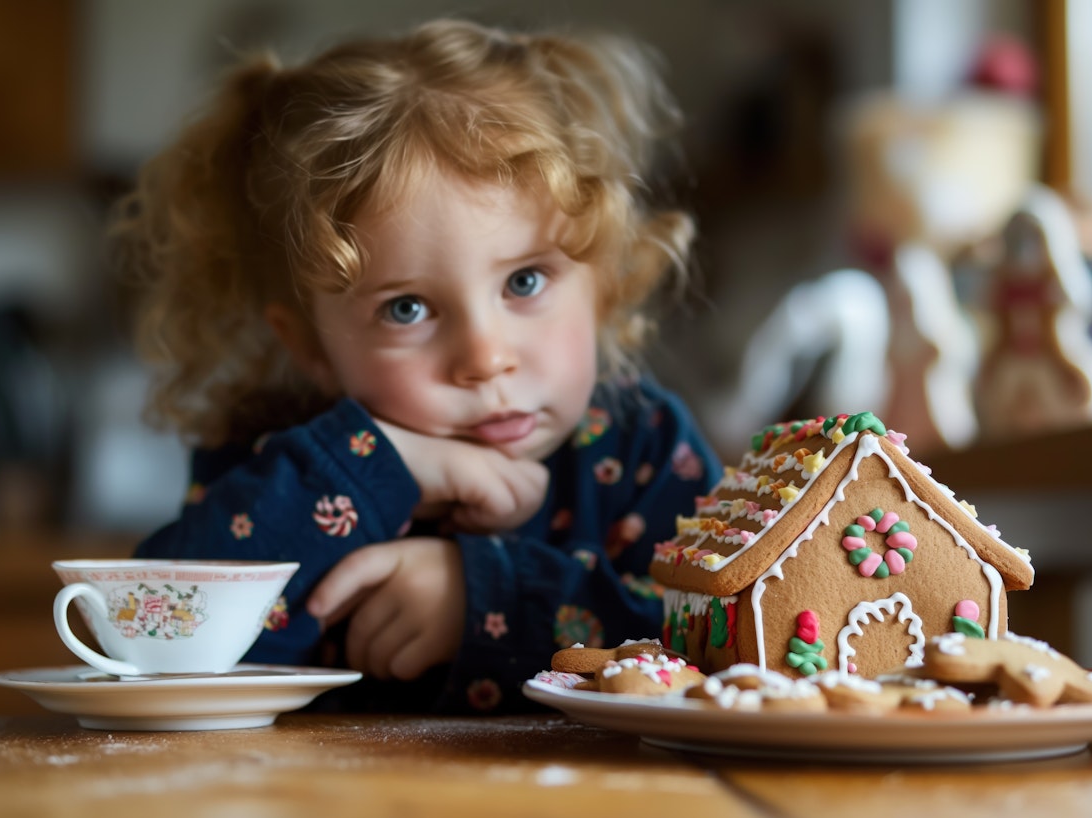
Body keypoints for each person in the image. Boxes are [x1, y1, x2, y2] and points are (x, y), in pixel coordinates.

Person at [114, 18, 721, 713]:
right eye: (406, 309)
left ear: (602, 277)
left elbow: (730, 646)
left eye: (524, 282)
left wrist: (483, 596)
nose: (486, 358)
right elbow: (154, 644)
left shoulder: (642, 448)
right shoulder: (278, 459)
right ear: (309, 346)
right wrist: (379, 464)